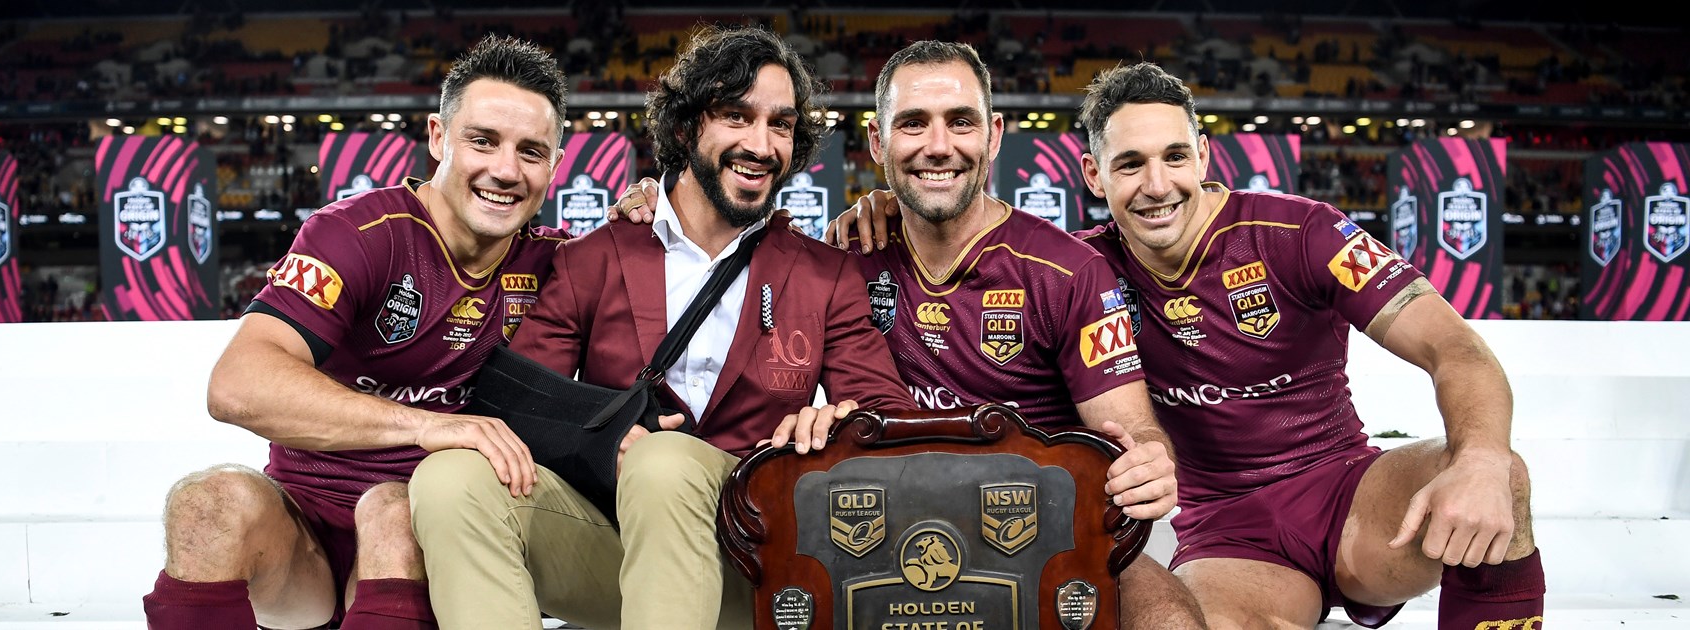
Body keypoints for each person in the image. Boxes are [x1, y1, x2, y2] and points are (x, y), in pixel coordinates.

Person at [835, 61, 1545, 630]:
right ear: (1093, 177)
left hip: (1348, 493)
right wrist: (884, 206)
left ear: (1203, 154)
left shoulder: (1305, 233)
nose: (1157, 186)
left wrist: (1479, 457)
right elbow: (973, 238)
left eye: (1175, 156)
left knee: (1501, 475)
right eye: (1130, 164)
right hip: (1227, 534)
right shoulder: (1080, 270)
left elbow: (1458, 350)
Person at [611, 40, 1207, 630]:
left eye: (961, 122)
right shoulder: (840, 256)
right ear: (878, 141)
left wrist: (1149, 462)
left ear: (994, 134)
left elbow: (1130, 429)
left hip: (1036, 520)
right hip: (876, 522)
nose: (939, 146)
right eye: (914, 123)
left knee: (1170, 618)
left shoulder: (1069, 271)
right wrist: (651, 200)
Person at [406, 25, 912, 630]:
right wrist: (605, 435)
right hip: (614, 552)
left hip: (757, 560)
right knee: (450, 477)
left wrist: (842, 418)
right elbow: (519, 401)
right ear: (683, 128)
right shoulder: (592, 256)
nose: (761, 143)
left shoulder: (826, 274)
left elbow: (888, 412)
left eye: (780, 124)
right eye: (735, 116)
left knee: (665, 462)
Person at [142, 34, 570, 630]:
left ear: (554, 165)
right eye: (482, 140)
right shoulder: (360, 233)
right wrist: (428, 425)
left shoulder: (560, 260)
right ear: (438, 137)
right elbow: (236, 385)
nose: (505, 169)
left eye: (531, 151)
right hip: (304, 538)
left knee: (394, 512)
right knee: (204, 504)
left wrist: (647, 206)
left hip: (428, 536)